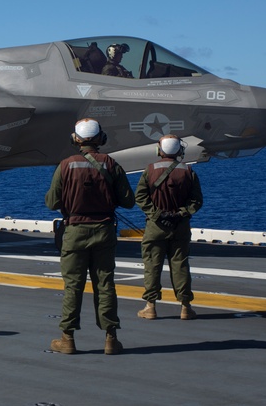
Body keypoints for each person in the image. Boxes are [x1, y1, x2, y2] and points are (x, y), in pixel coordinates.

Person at [45, 118, 134, 355]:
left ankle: (67, 339)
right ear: (101, 139)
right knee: (105, 284)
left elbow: (52, 202)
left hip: (74, 232)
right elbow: (128, 201)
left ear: (75, 139)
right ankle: (110, 339)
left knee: (73, 286)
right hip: (104, 231)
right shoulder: (111, 165)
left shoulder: (65, 165)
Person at [135, 134, 203, 321]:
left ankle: (150, 307)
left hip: (156, 227)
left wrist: (158, 215)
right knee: (180, 265)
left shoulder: (150, 170)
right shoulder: (189, 171)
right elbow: (196, 201)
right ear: (179, 150)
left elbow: (141, 197)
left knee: (152, 266)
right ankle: (185, 307)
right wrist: (180, 213)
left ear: (160, 150)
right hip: (180, 226)